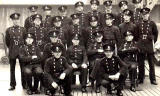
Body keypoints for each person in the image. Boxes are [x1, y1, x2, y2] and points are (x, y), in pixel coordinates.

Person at [137, 7, 158, 85]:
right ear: (142, 15)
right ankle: (140, 78)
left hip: (149, 45)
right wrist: (138, 43)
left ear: (149, 14)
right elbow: (136, 35)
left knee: (151, 63)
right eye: (143, 14)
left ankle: (153, 79)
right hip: (141, 45)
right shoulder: (138, 23)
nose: (145, 16)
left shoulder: (152, 23)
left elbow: (156, 34)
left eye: (146, 14)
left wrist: (152, 41)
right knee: (140, 63)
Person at [5, 13, 27, 90]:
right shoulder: (8, 30)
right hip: (12, 51)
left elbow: (25, 40)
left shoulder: (23, 29)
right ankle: (12, 85)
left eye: (17, 19)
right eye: (14, 20)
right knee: (12, 69)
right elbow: (7, 42)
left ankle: (24, 85)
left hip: (21, 51)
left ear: (19, 20)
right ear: (12, 20)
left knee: (23, 69)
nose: (16, 21)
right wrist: (11, 48)